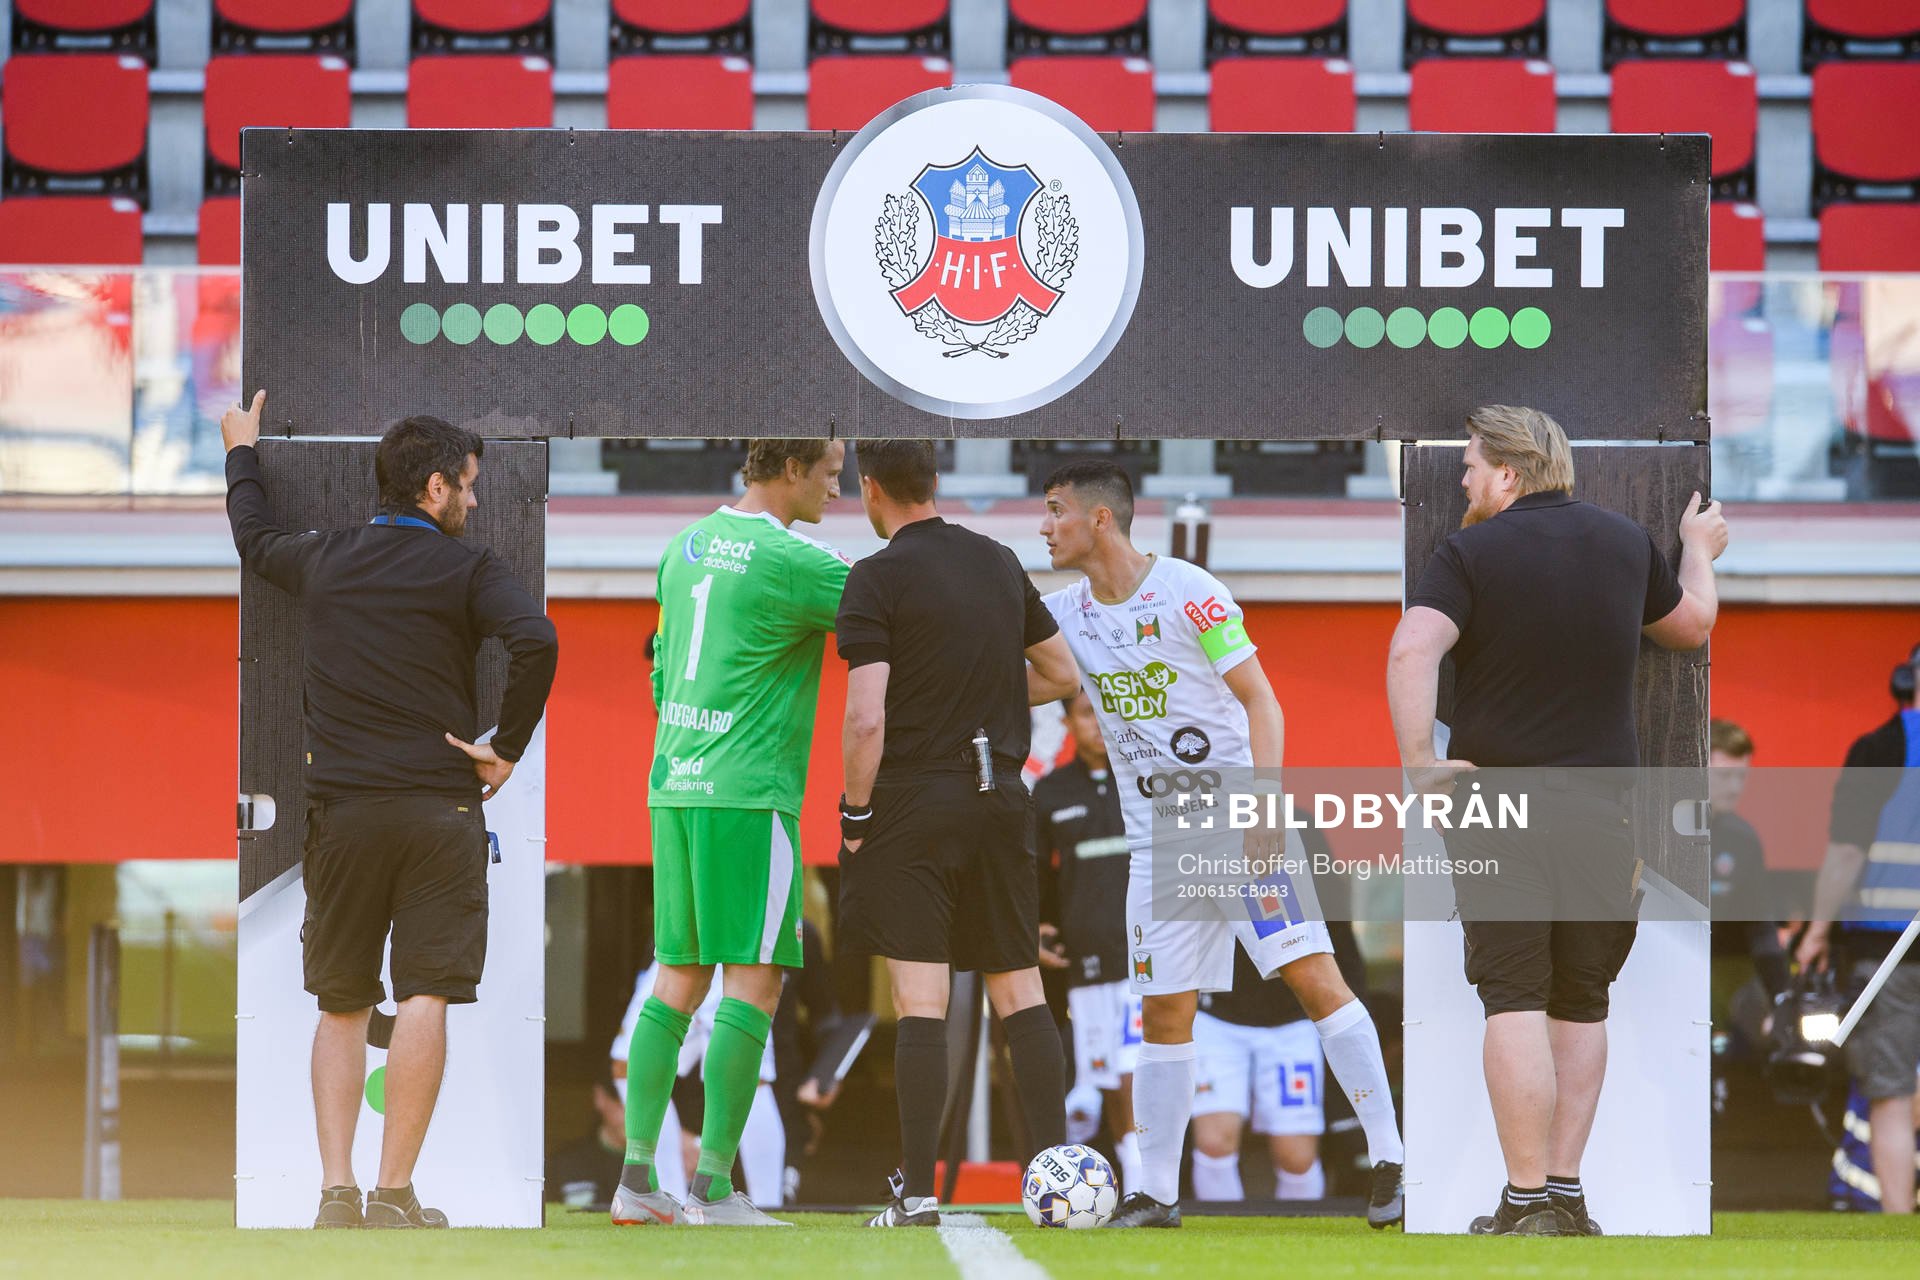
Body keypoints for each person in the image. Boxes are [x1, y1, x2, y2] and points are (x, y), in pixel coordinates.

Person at [1038, 459, 1406, 1230]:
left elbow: (1262, 703)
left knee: (1314, 979)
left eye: (1055, 510)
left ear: (1100, 518)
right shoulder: (1065, 611)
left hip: (1237, 826)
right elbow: (1036, 678)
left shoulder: (1190, 590)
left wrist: (1266, 810)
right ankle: (1158, 1194)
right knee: (1163, 1013)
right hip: (1156, 846)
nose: (1044, 526)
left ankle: (1392, 1161)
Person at [221, 391, 560, 1229]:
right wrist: (506, 748)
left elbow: (255, 541)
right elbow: (538, 641)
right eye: (470, 486)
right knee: (424, 997)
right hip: (439, 814)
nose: (476, 502)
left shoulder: (327, 558)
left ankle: (334, 1194)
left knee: (340, 1003)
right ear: (434, 488)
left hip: (341, 815)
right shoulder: (471, 569)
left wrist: (241, 454)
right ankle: (393, 1192)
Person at [1387, 404, 1726, 1236]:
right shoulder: (1621, 543)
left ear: (1509, 470)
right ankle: (1567, 1197)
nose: (1463, 479)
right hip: (1603, 807)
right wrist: (1699, 553)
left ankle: (1526, 1198)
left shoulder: (1467, 551)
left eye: (1470, 465)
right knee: (1582, 998)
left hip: (1493, 801)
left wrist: (1420, 767)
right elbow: (1692, 626)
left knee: (1512, 999)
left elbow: (1410, 651)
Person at [835, 439, 1082, 1228]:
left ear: (871, 490)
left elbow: (865, 716)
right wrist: (986, 695)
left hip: (915, 799)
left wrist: (855, 813)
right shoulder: (999, 560)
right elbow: (1062, 675)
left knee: (921, 1000)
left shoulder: (875, 575)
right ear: (936, 482)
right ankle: (1056, 1182)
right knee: (1020, 989)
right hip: (1002, 794)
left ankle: (918, 1192)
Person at [615, 439, 851, 1228]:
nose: (839, 483)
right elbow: (896, 614)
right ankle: (713, 1190)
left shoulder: (681, 547)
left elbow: (658, 671)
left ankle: (638, 1182)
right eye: (829, 467)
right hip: (750, 796)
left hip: (674, 784)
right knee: (755, 982)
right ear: (789, 468)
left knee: (676, 979)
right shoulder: (799, 560)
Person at [1797, 640, 1920, 1216]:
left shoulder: (1878, 749)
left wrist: (1816, 932)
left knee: (1891, 1098)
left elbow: (1845, 855)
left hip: (1887, 956)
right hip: (1888, 956)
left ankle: (1898, 1229)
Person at [1192, 829, 1368, 1204]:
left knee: (1297, 1156)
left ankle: (1298, 1251)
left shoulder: (1301, 827)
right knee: (1213, 1142)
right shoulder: (1202, 825)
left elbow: (1335, 919)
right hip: (1218, 1014)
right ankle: (1213, 1252)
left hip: (1291, 1016)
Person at [1034, 690, 1144, 1194]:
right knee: (1100, 1081)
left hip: (1152, 953)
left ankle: (1144, 1180)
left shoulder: (1151, 781)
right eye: (1086, 714)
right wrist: (1037, 925)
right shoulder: (1050, 792)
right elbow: (1032, 873)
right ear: (1068, 722)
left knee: (1131, 1073)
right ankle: (1089, 1182)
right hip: (1087, 960)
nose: (1099, 724)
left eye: (1107, 713)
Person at [546, 1075, 627, 1210]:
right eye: (625, 1103)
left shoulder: (666, 1164)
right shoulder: (563, 1164)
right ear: (600, 1097)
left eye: (646, 1105)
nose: (636, 1115)